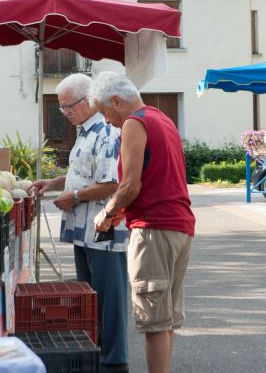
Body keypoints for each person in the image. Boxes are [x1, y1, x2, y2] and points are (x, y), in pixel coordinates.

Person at [89, 72, 195, 373]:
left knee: (153, 320)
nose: (107, 121)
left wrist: (107, 213)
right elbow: (155, 178)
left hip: (153, 229)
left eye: (105, 112)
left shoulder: (134, 123)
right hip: (178, 226)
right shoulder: (162, 118)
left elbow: (130, 185)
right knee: (166, 320)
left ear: (116, 100)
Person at [30, 73, 129, 373]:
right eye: (61, 108)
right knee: (90, 300)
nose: (65, 113)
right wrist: (55, 182)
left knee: (109, 300)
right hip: (82, 231)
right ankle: (97, 354)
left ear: (87, 102)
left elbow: (112, 183)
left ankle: (115, 361)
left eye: (68, 106)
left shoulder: (107, 132)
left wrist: (73, 196)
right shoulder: (85, 132)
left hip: (103, 231)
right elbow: (83, 175)